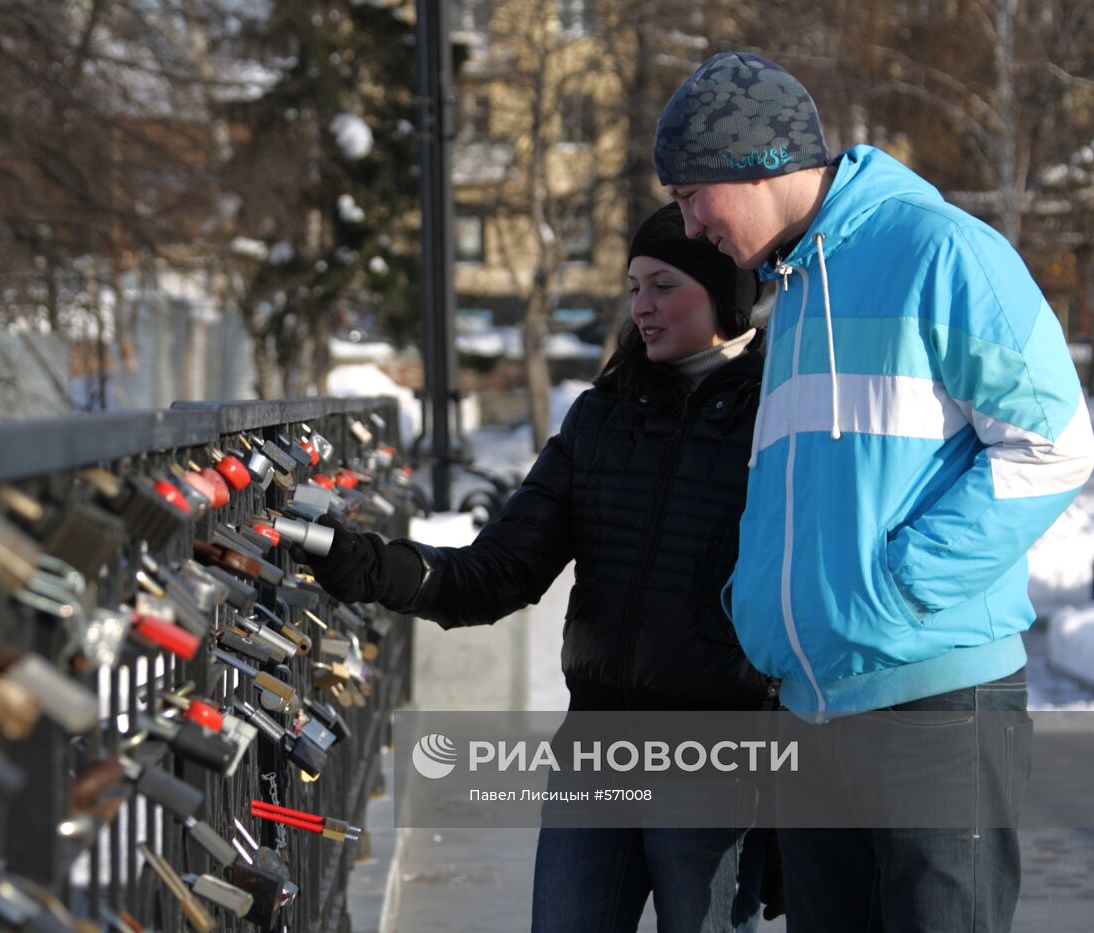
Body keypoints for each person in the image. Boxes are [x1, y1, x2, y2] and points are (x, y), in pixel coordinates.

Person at [653, 51, 1094, 932]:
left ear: (758, 162)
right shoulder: (796, 293)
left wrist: (899, 589)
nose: (689, 221)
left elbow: (1054, 441)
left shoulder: (937, 249)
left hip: (935, 708)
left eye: (692, 190)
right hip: (818, 715)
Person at [303, 202, 778, 932]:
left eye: (661, 285)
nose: (640, 307)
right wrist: (361, 564)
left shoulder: (777, 421)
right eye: (632, 287)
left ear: (725, 296)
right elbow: (498, 571)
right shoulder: (600, 419)